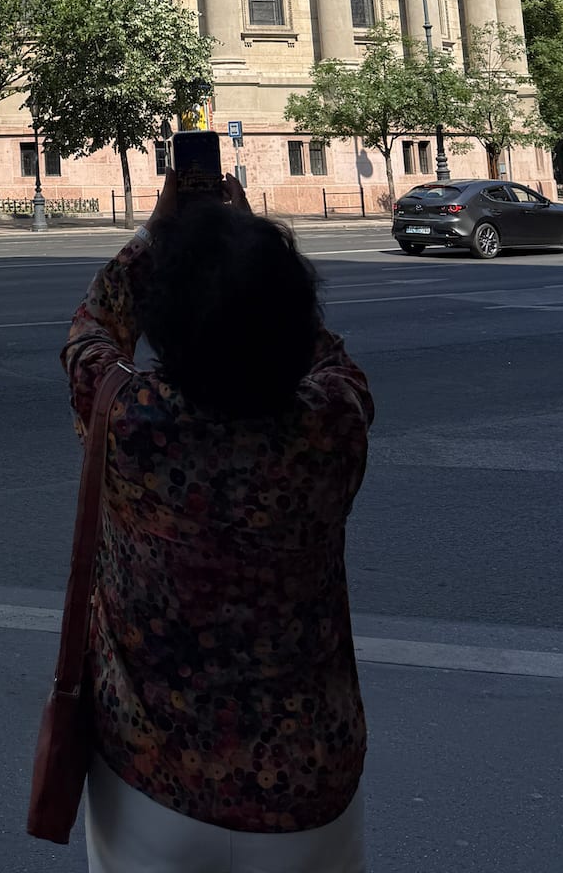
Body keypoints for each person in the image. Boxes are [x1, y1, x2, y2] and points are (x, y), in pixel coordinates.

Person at [60, 171, 372, 871]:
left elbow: (92, 330)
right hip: (308, 786)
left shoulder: (129, 422)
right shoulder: (331, 425)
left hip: (150, 777)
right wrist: (251, 262)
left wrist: (156, 236)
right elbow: (327, 355)